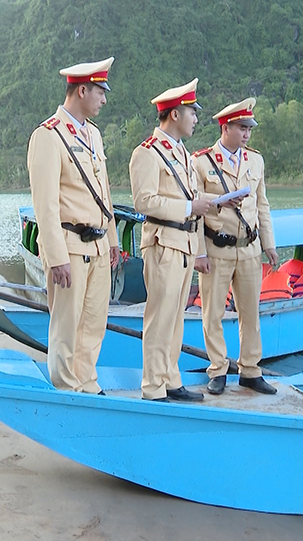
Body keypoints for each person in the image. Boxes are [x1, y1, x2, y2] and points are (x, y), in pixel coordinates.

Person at [27, 57, 120, 393]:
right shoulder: (48, 136)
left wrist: (112, 239)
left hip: (97, 245)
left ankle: (87, 383)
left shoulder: (93, 134)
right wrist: (55, 256)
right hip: (69, 245)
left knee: (94, 324)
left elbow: (103, 193)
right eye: (100, 91)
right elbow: (45, 204)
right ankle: (67, 389)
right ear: (82, 90)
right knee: (66, 328)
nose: (104, 99)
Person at [129, 78, 215, 402]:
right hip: (163, 243)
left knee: (176, 317)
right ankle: (152, 387)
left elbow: (189, 197)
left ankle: (170, 378)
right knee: (159, 317)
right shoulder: (147, 154)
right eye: (192, 112)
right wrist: (190, 206)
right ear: (175, 114)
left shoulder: (183, 155)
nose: (195, 118)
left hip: (185, 243)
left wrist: (211, 202)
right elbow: (144, 201)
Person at [192, 98, 278, 395]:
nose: (246, 134)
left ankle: (250, 370)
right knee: (212, 313)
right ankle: (217, 369)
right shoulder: (202, 162)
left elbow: (262, 205)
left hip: (250, 248)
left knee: (250, 313)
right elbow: (196, 214)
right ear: (225, 127)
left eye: (249, 129)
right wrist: (199, 252)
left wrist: (270, 244)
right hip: (217, 247)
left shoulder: (255, 160)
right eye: (241, 128)